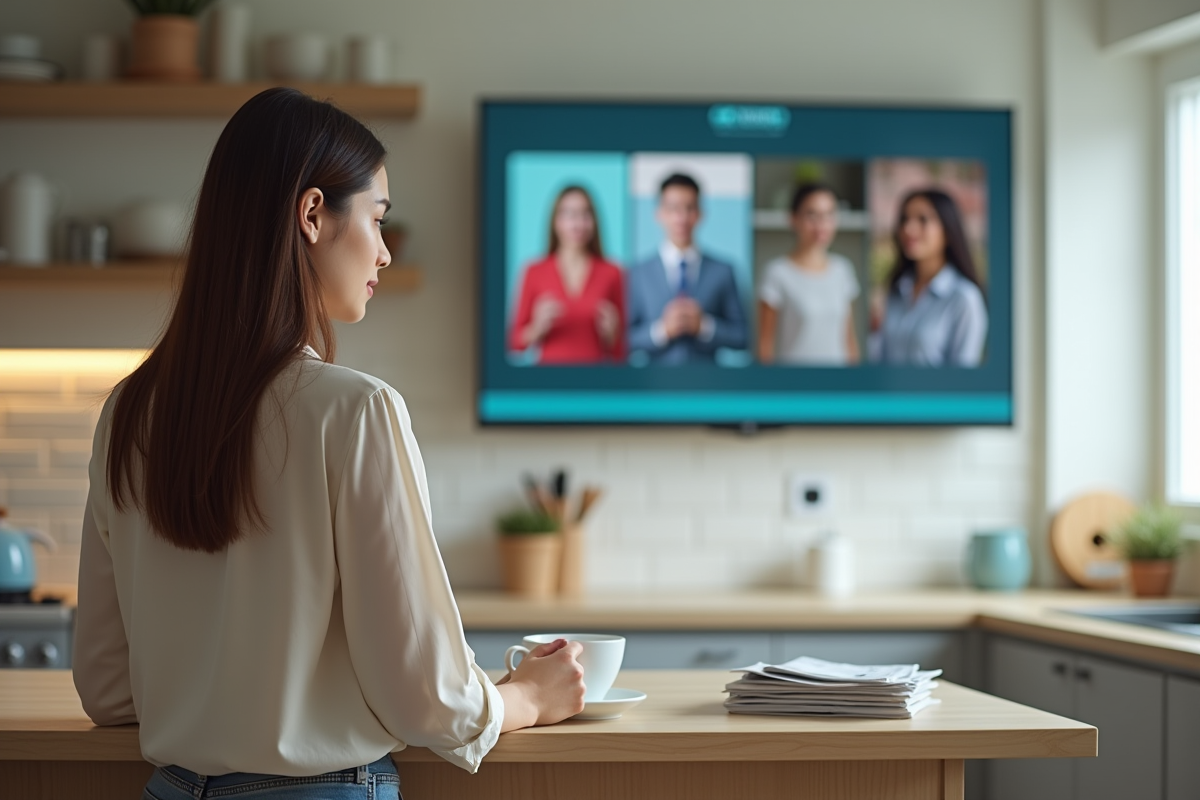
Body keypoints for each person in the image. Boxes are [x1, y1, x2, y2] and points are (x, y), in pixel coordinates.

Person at [72, 88, 585, 800]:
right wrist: (525, 697)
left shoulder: (129, 412)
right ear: (312, 214)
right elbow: (427, 701)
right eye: (376, 219)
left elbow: (107, 688)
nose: (381, 250)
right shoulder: (356, 411)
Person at [626, 173, 748, 364]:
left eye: (689, 208)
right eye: (673, 208)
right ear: (659, 214)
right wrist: (662, 331)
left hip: (707, 386)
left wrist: (705, 327)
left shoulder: (723, 271)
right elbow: (624, 339)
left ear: (700, 214)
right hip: (655, 387)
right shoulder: (638, 273)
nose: (681, 218)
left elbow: (743, 336)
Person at [508, 185, 625, 364]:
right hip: (548, 383)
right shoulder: (534, 271)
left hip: (594, 382)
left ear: (594, 222)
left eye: (585, 214)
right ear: (555, 221)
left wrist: (612, 335)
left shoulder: (612, 272)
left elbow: (622, 352)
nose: (578, 223)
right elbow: (514, 343)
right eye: (570, 214)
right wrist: (536, 329)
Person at [874, 188, 988, 367]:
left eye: (923, 219)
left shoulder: (964, 297)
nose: (908, 229)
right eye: (904, 219)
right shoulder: (896, 291)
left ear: (948, 229)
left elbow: (964, 376)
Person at [757, 183, 861, 366]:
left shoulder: (843, 270)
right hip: (795, 386)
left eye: (829, 215)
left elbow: (848, 339)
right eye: (812, 215)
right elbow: (765, 346)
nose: (821, 224)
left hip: (838, 386)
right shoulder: (777, 272)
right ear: (793, 219)